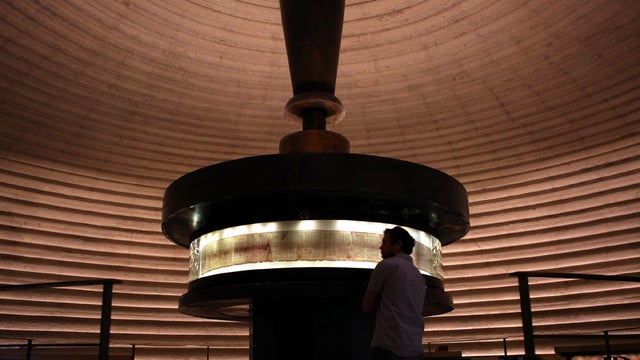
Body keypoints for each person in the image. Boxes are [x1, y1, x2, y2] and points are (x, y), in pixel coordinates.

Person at [362, 226, 426, 360]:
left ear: (398, 244)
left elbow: (367, 307)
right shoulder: (418, 275)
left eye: (385, 242)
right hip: (415, 347)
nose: (381, 247)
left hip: (389, 346)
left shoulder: (386, 266)